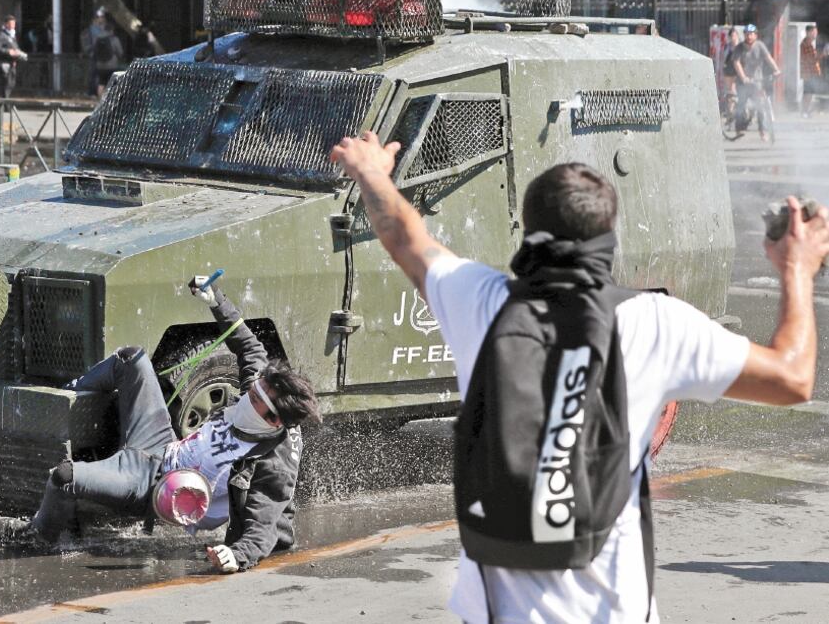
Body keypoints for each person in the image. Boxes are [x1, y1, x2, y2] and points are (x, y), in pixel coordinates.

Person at [330, 132, 829, 623]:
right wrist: (797, 268)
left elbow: (404, 236)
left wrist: (371, 172)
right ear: (608, 238)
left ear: (527, 232)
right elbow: (792, 378)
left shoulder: (479, 301)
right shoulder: (652, 322)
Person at [0, 278, 321, 573]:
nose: (249, 395)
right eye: (254, 388)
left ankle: (38, 534)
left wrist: (237, 556)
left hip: (157, 488)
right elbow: (248, 345)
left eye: (257, 398)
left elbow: (263, 527)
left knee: (64, 477)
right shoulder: (261, 387)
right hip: (161, 445)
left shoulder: (276, 461)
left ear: (274, 420)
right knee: (131, 359)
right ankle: (70, 396)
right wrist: (216, 299)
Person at [732, 23, 781, 140]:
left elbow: (768, 58)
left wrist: (776, 70)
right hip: (743, 82)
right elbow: (736, 63)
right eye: (747, 34)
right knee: (741, 105)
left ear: (756, 35)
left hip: (757, 81)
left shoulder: (760, 45)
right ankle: (738, 129)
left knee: (760, 105)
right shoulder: (739, 48)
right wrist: (743, 77)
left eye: (751, 34)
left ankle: (762, 131)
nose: (749, 36)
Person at [0, 14, 26, 100]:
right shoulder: (2, 35)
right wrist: (8, 52)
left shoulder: (12, 35)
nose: (13, 25)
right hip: (4, 63)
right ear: (6, 24)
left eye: (14, 24)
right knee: (6, 83)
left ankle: (5, 101)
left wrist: (17, 54)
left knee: (12, 83)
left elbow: (15, 47)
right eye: (11, 23)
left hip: (12, 63)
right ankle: (5, 102)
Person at [93, 19, 124, 98]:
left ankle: (100, 100)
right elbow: (120, 52)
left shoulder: (98, 38)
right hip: (111, 65)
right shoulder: (114, 39)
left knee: (101, 83)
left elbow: (94, 51)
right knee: (112, 83)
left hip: (100, 65)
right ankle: (109, 99)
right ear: (112, 30)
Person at [81, 8, 108, 96]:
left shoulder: (103, 28)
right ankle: (91, 92)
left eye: (103, 17)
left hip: (103, 55)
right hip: (95, 54)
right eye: (100, 17)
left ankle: (100, 92)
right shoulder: (91, 30)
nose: (102, 19)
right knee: (93, 73)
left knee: (101, 74)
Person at [800, 24, 821, 117]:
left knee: (809, 92)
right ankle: (804, 111)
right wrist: (823, 55)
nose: (816, 34)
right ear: (808, 33)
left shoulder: (809, 44)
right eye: (814, 32)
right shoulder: (806, 44)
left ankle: (806, 111)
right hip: (808, 72)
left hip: (810, 72)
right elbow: (811, 59)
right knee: (808, 93)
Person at [722, 27, 741, 100]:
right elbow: (724, 58)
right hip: (729, 69)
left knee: (738, 89)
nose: (734, 37)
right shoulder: (728, 46)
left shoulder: (741, 46)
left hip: (740, 69)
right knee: (730, 90)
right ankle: (731, 106)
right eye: (732, 36)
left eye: (735, 35)